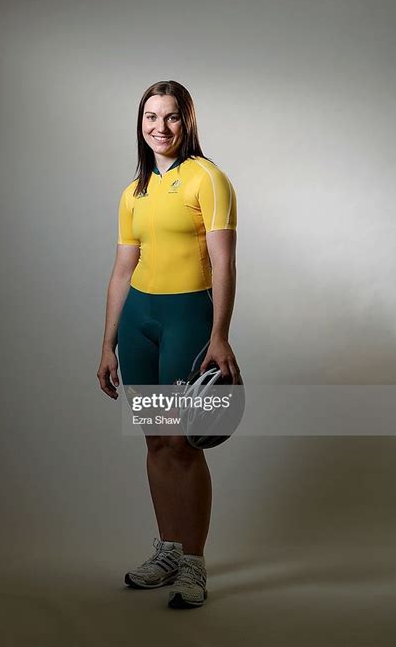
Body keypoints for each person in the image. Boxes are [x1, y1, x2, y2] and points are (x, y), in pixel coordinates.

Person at [97, 80, 240, 609]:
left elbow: (224, 262)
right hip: (138, 320)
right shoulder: (133, 192)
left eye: (172, 117)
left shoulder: (209, 179)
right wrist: (108, 343)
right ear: (141, 124)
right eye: (151, 117)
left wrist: (219, 334)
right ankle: (168, 551)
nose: (161, 127)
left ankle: (194, 565)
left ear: (188, 122)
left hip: (187, 318)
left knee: (183, 443)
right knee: (155, 441)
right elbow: (121, 269)